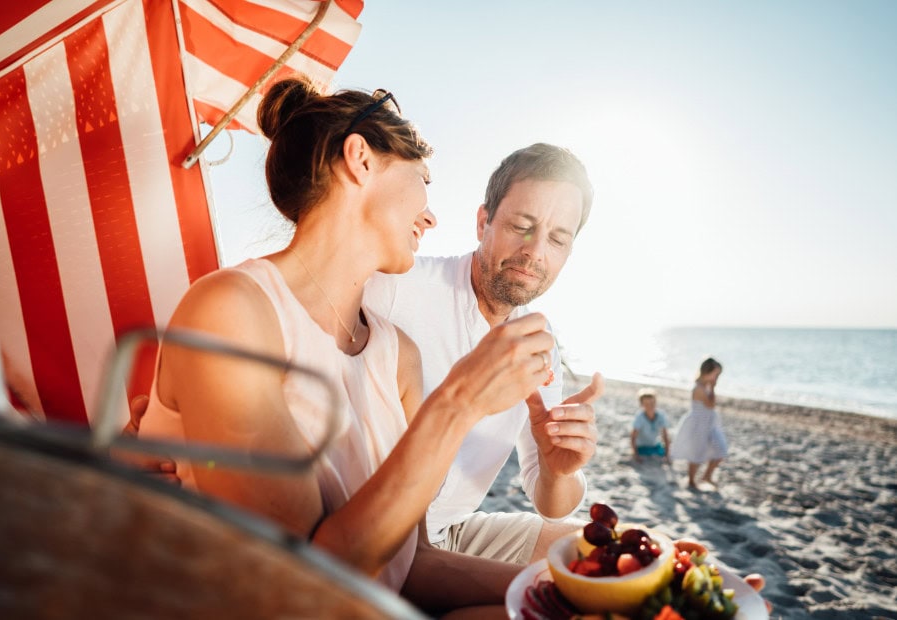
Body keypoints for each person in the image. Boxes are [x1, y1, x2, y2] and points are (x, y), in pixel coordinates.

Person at [137, 76, 554, 616]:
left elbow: (410, 561)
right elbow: (302, 586)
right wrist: (459, 403)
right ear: (359, 159)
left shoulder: (396, 354)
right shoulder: (230, 312)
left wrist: (557, 594)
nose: (430, 215)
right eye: (421, 179)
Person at [364, 143, 602, 565]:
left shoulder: (538, 337)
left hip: (454, 532)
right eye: (522, 225)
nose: (535, 251)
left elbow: (551, 504)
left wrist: (557, 466)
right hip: (370, 530)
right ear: (483, 221)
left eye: (558, 238)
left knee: (601, 556)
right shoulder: (397, 286)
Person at [670, 357, 728, 489]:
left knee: (720, 449)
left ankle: (707, 475)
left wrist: (712, 386)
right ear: (708, 371)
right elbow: (711, 405)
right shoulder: (698, 388)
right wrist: (713, 388)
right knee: (696, 452)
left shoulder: (706, 385)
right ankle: (691, 481)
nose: (717, 377)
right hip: (698, 424)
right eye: (716, 374)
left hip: (710, 423)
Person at [631, 387, 670, 463]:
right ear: (642, 404)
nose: (650, 406)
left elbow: (665, 436)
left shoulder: (661, 415)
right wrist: (635, 455)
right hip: (641, 447)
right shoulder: (639, 417)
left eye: (652, 403)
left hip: (654, 446)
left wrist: (667, 455)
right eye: (646, 404)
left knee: (663, 453)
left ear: (655, 402)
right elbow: (633, 437)